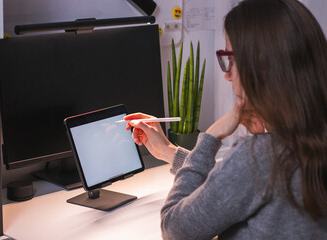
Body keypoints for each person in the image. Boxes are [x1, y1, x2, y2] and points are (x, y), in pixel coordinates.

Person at [124, 0, 327, 239]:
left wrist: (210, 138)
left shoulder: (258, 157)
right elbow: (232, 185)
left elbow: (174, 229)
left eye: (230, 58)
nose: (228, 75)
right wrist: (169, 151)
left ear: (260, 67)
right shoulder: (310, 140)